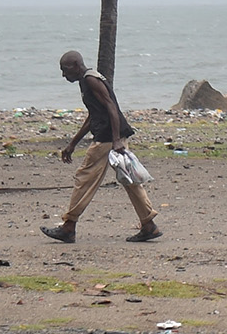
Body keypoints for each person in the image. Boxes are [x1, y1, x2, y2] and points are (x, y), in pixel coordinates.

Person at [43, 50, 160, 243]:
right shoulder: (86, 80)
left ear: (75, 65)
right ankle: (149, 225)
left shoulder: (91, 80)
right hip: (114, 137)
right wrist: (73, 143)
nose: (63, 75)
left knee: (84, 179)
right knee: (130, 181)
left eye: (65, 70)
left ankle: (69, 227)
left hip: (107, 139)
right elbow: (93, 116)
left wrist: (115, 140)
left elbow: (111, 107)